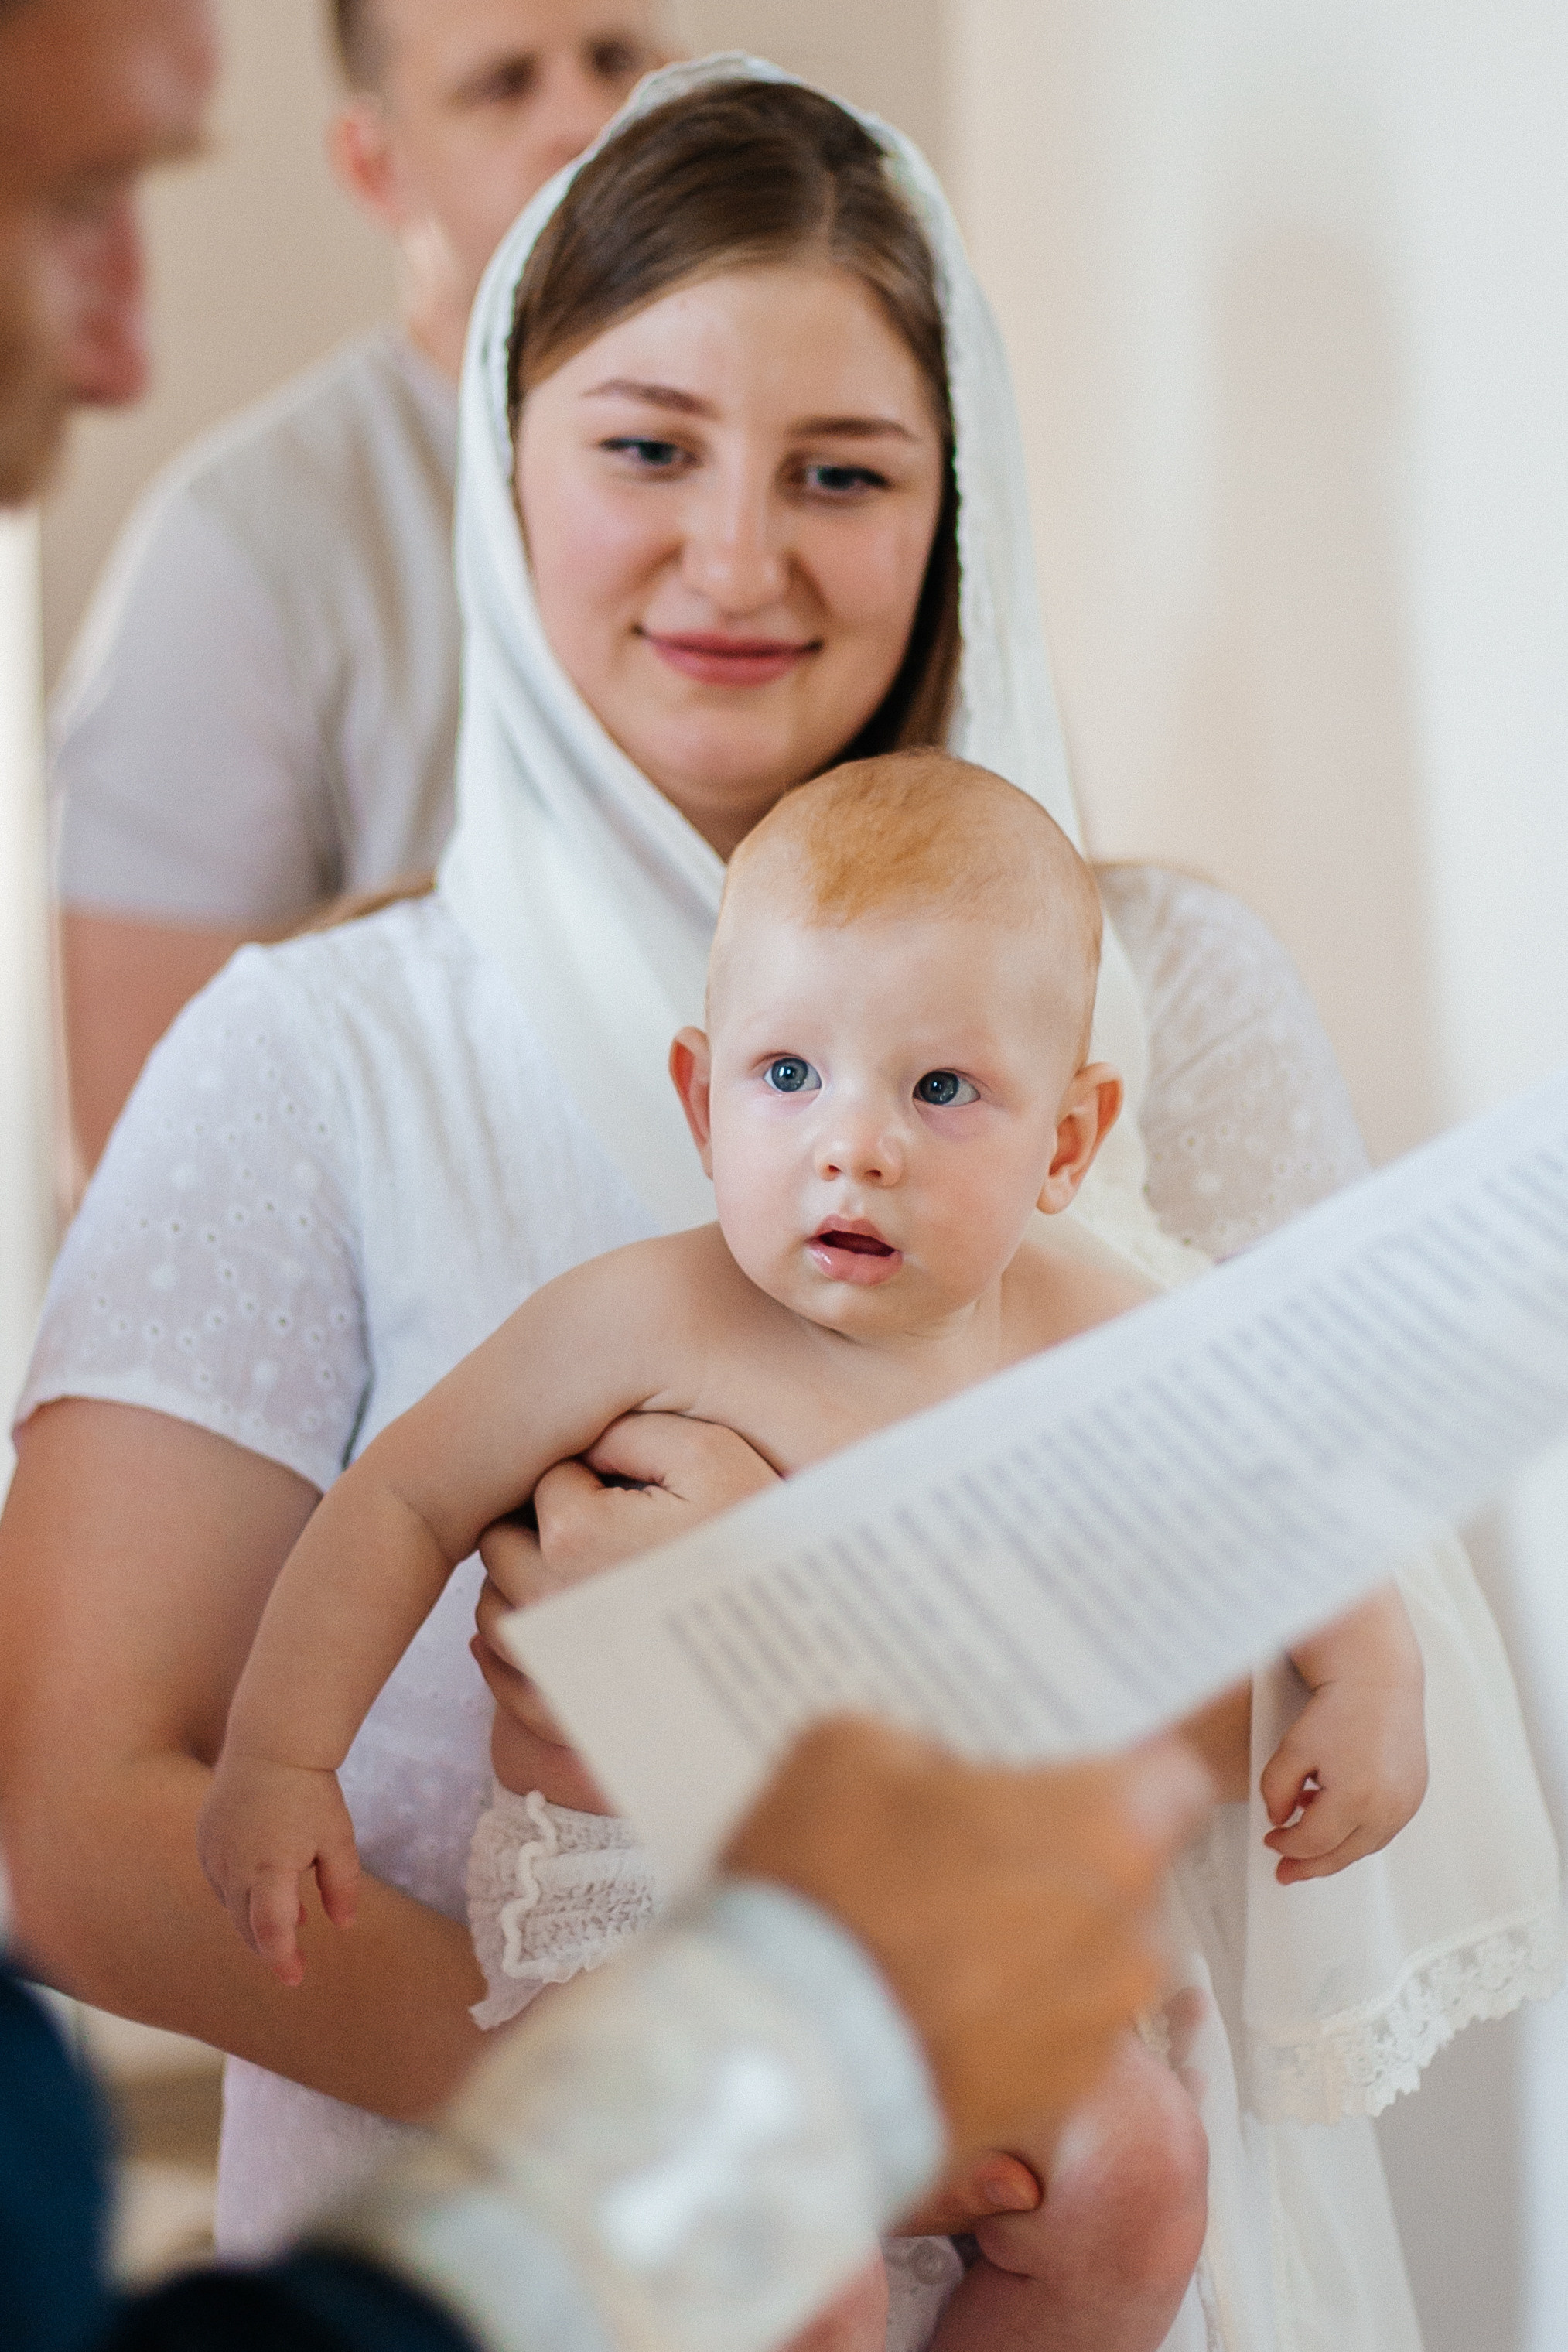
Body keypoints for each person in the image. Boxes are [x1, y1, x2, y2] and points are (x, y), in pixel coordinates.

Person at [3, 53, 1558, 2352]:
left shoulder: (1171, 986)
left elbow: (1299, 1559)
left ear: (957, 508)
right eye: (644, 447)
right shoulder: (314, 1053)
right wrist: (736, 2108)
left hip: (1090, 2162)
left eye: (844, 472)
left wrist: (792, 1614)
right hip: (511, 2224)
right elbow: (80, 1832)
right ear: (500, 466)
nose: (740, 558)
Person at [196, 749, 1432, 2352]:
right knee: (784, 2266)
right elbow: (400, 1500)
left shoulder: (1067, 1312)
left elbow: (1272, 1454)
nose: (857, 1146)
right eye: (790, 1076)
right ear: (699, 1095)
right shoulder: (638, 1317)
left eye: (938, 1089)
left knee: (1139, 2165)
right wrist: (283, 1756)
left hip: (942, 1905)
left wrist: (1369, 1665)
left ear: (1067, 1138)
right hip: (653, 1907)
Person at [51, 0, 671, 1170]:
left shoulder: (837, 502)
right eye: (502, 86)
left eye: (616, 57)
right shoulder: (235, 545)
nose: (588, 119)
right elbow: (150, 1173)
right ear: (374, 164)